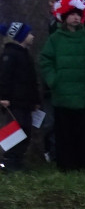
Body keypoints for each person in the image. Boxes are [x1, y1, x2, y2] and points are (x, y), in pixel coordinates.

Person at [39, 0, 85, 171]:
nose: (75, 17)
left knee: (83, 131)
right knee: (64, 131)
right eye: (71, 14)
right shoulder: (55, 39)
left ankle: (83, 163)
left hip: (83, 92)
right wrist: (54, 80)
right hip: (62, 93)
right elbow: (46, 61)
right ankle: (66, 164)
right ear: (64, 17)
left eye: (77, 14)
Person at [0, 21, 42, 170]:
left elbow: (31, 80)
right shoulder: (10, 54)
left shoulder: (24, 54)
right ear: (21, 36)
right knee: (14, 131)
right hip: (14, 101)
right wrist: (3, 97)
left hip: (25, 101)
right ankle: (9, 160)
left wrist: (35, 100)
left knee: (25, 130)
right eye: (29, 33)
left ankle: (18, 159)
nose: (32, 36)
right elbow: (5, 77)